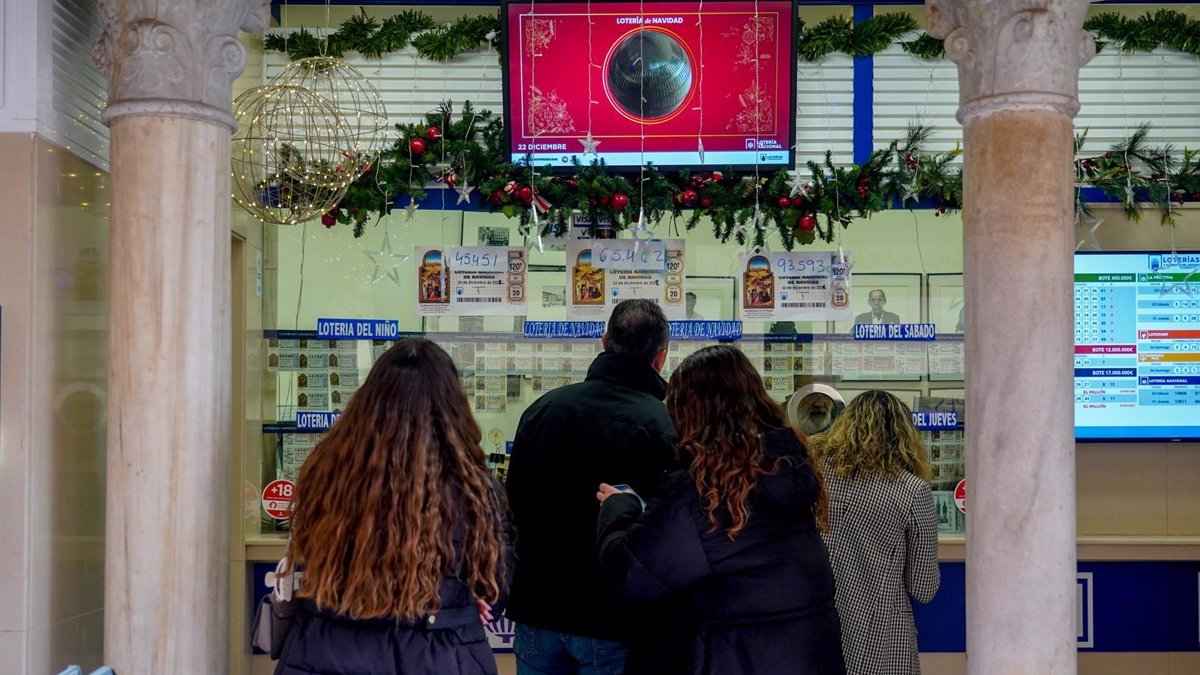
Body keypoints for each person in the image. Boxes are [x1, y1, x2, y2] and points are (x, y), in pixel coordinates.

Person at [596, 345, 846, 675]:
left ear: (690, 411)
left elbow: (629, 573)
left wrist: (620, 507)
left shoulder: (705, 491)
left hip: (739, 660)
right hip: (804, 657)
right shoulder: (784, 469)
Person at [274, 338, 512, 675]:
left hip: (326, 648)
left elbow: (309, 554)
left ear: (368, 401)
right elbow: (494, 589)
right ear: (453, 406)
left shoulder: (327, 474)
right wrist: (464, 603)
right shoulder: (475, 490)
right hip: (439, 654)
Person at [506, 299, 679, 675]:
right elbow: (666, 534)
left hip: (538, 609)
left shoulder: (543, 410)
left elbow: (512, 508)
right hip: (614, 620)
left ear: (604, 342)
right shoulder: (664, 427)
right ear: (660, 358)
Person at [809, 390, 940, 675]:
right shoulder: (912, 490)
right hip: (880, 640)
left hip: (815, 629)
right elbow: (923, 587)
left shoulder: (815, 476)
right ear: (905, 435)